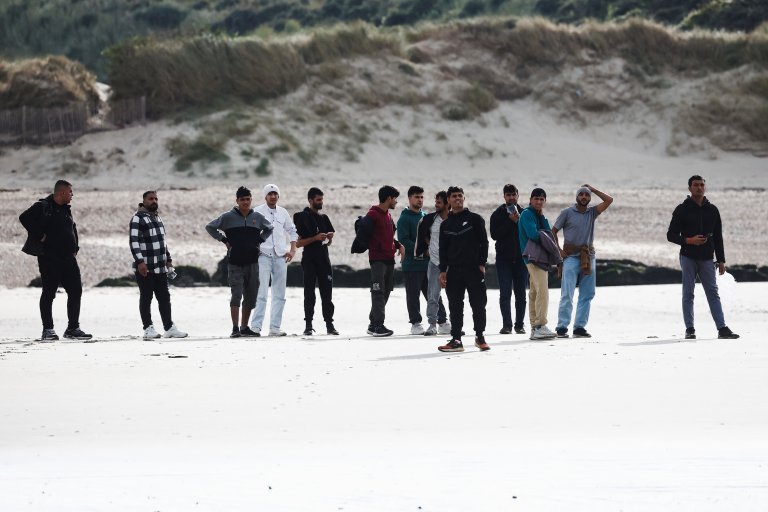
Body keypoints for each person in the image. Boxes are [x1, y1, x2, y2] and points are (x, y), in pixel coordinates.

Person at [667, 175, 739, 340]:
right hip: (688, 256)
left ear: (704, 188)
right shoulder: (681, 209)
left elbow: (718, 237)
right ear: (689, 188)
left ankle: (722, 329)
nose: (699, 187)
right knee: (688, 293)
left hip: (707, 257)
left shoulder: (712, 210)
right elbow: (670, 235)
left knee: (713, 293)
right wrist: (688, 240)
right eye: (695, 185)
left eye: (701, 185)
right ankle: (690, 329)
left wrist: (721, 260)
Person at [19, 180, 92, 341]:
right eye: (70, 192)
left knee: (76, 291)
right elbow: (24, 217)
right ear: (61, 193)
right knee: (49, 293)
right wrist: (39, 234)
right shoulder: (43, 206)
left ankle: (73, 328)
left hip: (68, 258)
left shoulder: (66, 209)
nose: (73, 195)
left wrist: (75, 248)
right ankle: (48, 330)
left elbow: (71, 228)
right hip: (49, 258)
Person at [206, 186, 273, 338]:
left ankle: (244, 327)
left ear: (251, 200)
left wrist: (260, 240)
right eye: (242, 199)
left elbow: (269, 228)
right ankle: (235, 328)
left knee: (251, 295)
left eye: (248, 199)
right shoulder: (228, 217)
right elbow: (210, 227)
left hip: (253, 262)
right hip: (235, 262)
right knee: (236, 294)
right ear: (237, 201)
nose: (245, 202)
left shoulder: (257, 217)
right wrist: (224, 240)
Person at [551, 184, 613, 338]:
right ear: (577, 197)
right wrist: (559, 250)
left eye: (587, 195)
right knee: (567, 293)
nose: (584, 197)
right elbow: (553, 231)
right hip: (570, 257)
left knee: (587, 294)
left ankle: (579, 327)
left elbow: (609, 200)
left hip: (588, 256)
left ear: (590, 197)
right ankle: (562, 327)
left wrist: (592, 188)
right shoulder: (566, 212)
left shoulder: (592, 213)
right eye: (581, 194)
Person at [437, 186, 490, 352]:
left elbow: (484, 243)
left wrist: (482, 264)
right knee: (455, 305)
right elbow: (442, 249)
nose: (458, 198)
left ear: (464, 198)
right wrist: (442, 270)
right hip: (453, 270)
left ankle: (480, 336)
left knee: (478, 304)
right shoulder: (445, 224)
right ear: (449, 201)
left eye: (460, 196)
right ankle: (456, 339)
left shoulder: (475, 219)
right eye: (454, 196)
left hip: (474, 269)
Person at [129, 191, 188, 340]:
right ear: (144, 201)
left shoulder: (157, 217)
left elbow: (163, 242)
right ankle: (148, 329)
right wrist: (140, 262)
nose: (154, 201)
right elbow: (134, 242)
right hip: (146, 267)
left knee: (164, 298)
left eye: (156, 198)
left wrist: (168, 259)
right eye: (150, 199)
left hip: (160, 267)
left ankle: (169, 328)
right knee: (146, 297)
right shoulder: (137, 218)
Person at [397, 185, 448, 335]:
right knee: (413, 296)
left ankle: (443, 321)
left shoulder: (426, 216)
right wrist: (425, 249)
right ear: (409, 198)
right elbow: (404, 241)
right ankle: (415, 323)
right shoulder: (404, 219)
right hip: (412, 264)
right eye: (416, 197)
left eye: (421, 197)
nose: (419, 200)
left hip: (429, 264)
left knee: (434, 293)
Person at [250, 184, 298, 337]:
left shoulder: (283, 212)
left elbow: (292, 231)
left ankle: (275, 327)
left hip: (280, 256)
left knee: (280, 294)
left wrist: (292, 249)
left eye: (275, 194)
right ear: (265, 196)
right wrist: (254, 249)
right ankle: (256, 327)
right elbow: (251, 232)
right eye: (270, 194)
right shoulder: (257, 211)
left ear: (278, 196)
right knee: (261, 292)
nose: (273, 196)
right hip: (262, 255)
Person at [294, 187, 339, 336]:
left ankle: (329, 324)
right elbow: (298, 244)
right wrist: (314, 238)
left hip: (324, 259)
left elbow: (328, 243)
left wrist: (329, 238)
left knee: (327, 294)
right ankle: (308, 325)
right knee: (309, 293)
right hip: (309, 259)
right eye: (318, 200)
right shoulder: (302, 217)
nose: (321, 203)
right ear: (310, 200)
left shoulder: (324, 218)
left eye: (322, 199)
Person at [518, 188, 557, 340]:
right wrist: (544, 233)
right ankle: (540, 325)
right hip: (534, 257)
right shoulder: (527, 214)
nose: (539, 202)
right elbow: (534, 234)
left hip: (535, 258)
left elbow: (547, 230)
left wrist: (542, 219)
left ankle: (535, 327)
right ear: (530, 199)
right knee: (543, 291)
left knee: (534, 292)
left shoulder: (538, 215)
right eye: (536, 199)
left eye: (542, 199)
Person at [489, 184, 528, 335]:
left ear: (518, 195)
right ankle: (507, 325)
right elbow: (494, 235)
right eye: (508, 195)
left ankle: (519, 325)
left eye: (513, 195)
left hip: (521, 259)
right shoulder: (498, 214)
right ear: (504, 196)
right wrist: (509, 221)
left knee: (521, 294)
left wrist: (518, 221)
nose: (511, 197)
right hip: (503, 260)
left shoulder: (524, 213)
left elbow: (529, 234)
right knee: (505, 293)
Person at [366, 185, 405, 337]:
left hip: (389, 259)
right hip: (377, 259)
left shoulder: (388, 216)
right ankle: (378, 325)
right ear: (389, 198)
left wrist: (398, 245)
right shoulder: (372, 215)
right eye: (395, 198)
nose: (396, 202)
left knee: (386, 291)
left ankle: (372, 322)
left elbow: (388, 236)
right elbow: (365, 235)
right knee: (377, 291)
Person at [414, 191, 451, 336]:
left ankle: (454, 325)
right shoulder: (430, 219)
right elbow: (423, 235)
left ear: (447, 204)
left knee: (454, 296)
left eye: (439, 202)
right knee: (433, 295)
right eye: (436, 202)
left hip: (452, 264)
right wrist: (426, 249)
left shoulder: (455, 220)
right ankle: (432, 325)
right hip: (435, 263)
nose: (436, 205)